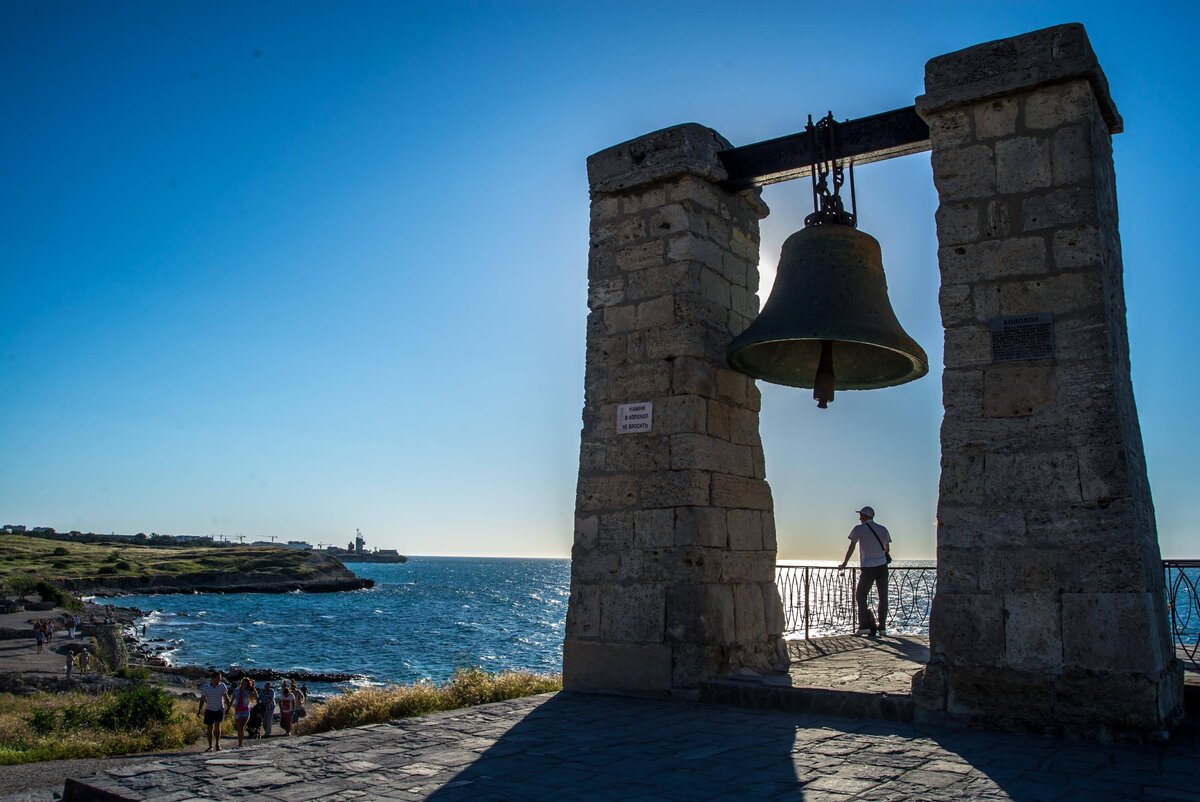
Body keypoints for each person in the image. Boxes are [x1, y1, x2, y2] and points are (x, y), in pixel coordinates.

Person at [838, 505, 892, 637]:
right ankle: (883, 628)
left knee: (861, 595)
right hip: (882, 567)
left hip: (868, 567)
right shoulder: (883, 529)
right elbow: (887, 549)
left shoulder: (859, 529)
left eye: (861, 515)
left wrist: (845, 563)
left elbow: (851, 547)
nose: (859, 517)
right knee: (883, 597)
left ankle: (864, 626)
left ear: (864, 516)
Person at [198, 671, 231, 752]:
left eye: (220, 678)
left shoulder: (222, 686)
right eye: (218, 678)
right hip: (209, 709)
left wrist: (228, 708)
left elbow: (226, 698)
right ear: (213, 678)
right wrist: (199, 710)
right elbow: (202, 699)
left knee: (217, 727)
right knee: (209, 728)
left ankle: (218, 744)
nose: (219, 680)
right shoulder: (206, 687)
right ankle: (210, 746)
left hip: (219, 708)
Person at [231, 677, 257, 747]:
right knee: (239, 728)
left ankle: (240, 744)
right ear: (241, 683)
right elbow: (232, 699)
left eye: (245, 684)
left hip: (245, 711)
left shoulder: (248, 690)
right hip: (237, 711)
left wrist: (253, 688)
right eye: (243, 683)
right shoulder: (236, 690)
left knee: (241, 727)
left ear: (247, 685)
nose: (243, 685)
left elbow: (256, 696)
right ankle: (240, 743)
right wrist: (228, 708)